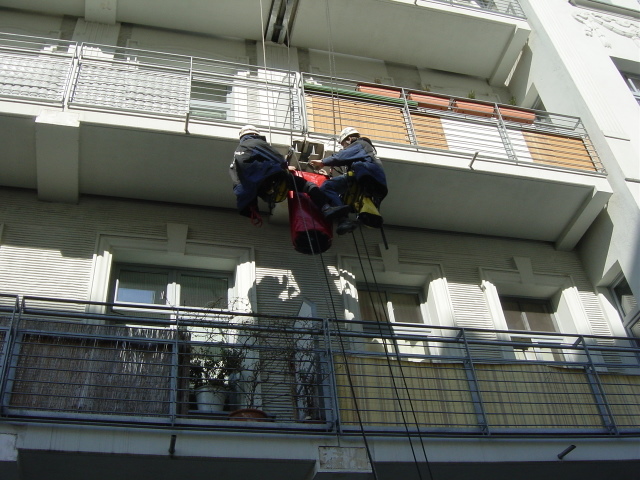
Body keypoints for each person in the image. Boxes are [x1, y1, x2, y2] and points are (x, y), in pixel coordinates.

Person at [229, 125, 348, 222]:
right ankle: (326, 209)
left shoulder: (236, 157)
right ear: (255, 134)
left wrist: (250, 205)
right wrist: (284, 167)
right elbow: (277, 158)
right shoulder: (255, 142)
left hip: (262, 191)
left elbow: (238, 184)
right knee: (308, 185)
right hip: (272, 178)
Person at [309, 127, 388, 235]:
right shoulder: (367, 150)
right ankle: (345, 220)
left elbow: (342, 156)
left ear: (349, 139)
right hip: (372, 181)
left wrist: (323, 162)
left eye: (343, 144)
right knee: (338, 198)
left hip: (365, 176)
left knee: (327, 187)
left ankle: (343, 219)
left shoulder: (360, 144)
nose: (344, 147)